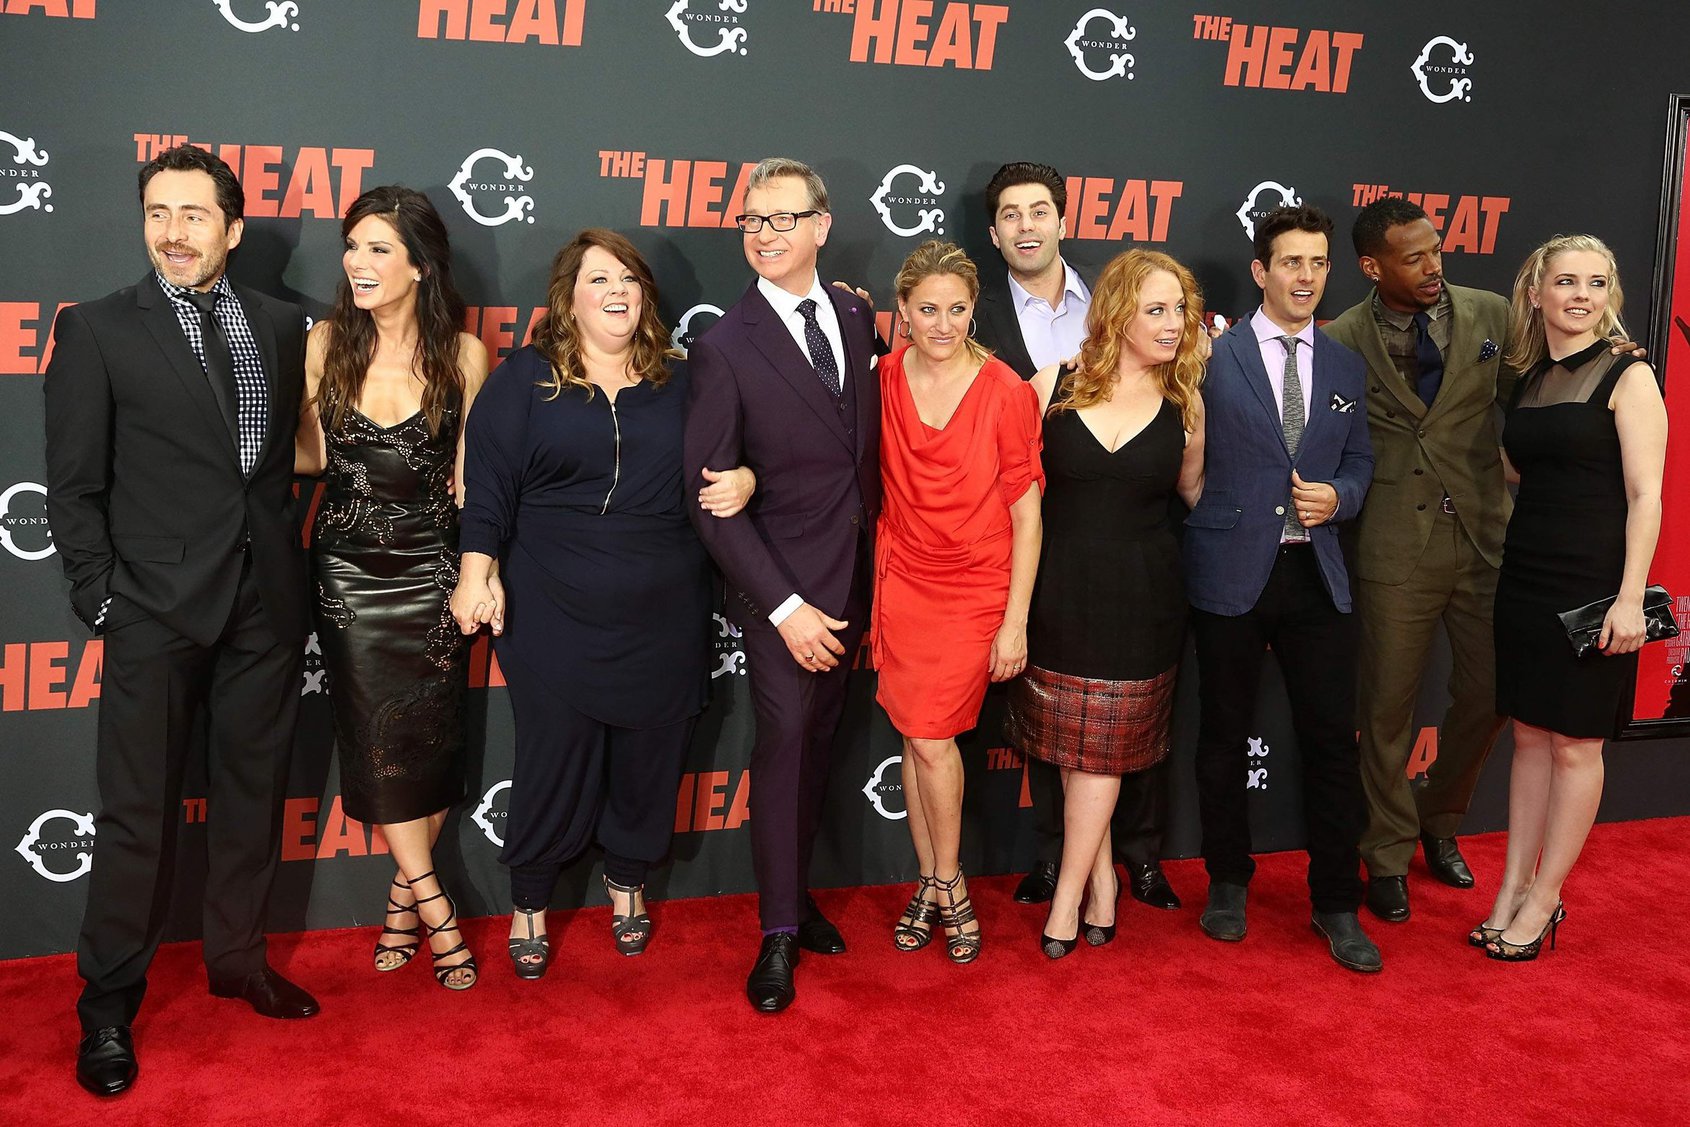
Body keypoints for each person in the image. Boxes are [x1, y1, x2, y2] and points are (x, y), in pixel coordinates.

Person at [44, 144, 318, 1098]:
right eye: (158, 213)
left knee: (251, 795)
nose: (173, 232)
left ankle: (238, 961)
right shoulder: (97, 328)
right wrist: (103, 598)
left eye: (193, 214)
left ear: (231, 229)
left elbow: (277, 466)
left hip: (263, 601)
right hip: (152, 609)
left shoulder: (280, 323)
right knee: (137, 815)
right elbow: (73, 485)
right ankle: (108, 1003)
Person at [451, 229, 753, 979]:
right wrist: (475, 571)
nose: (617, 291)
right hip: (551, 601)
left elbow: (743, 454)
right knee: (553, 753)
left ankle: (628, 882)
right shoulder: (525, 378)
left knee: (652, 755)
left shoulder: (684, 380)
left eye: (628, 279)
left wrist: (747, 478)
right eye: (599, 279)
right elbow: (487, 484)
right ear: (569, 298)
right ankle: (528, 899)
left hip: (666, 606)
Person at [683, 157, 882, 1013]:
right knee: (787, 743)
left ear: (821, 225)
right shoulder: (725, 346)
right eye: (752, 220)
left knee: (822, 743)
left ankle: (798, 900)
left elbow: (845, 444)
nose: (763, 234)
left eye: (781, 218)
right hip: (782, 594)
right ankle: (775, 932)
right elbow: (711, 504)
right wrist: (786, 607)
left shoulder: (855, 313)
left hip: (861, 578)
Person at [294, 185, 489, 990]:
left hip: (433, 569)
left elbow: (477, 484)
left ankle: (404, 899)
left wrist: (481, 570)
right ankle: (437, 906)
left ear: (420, 265)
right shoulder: (325, 342)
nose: (358, 262)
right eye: (352, 246)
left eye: (378, 248)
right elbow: (309, 457)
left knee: (428, 743)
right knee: (376, 745)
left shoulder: (465, 355)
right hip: (347, 575)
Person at [972, 160, 1179, 913]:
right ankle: (1062, 859)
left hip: (1139, 564)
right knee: (1058, 727)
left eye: (1040, 211)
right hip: (1053, 556)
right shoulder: (976, 317)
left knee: (1128, 720)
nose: (1027, 226)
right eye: (1011, 215)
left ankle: (1136, 859)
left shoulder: (1125, 305)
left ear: (1064, 219)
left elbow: (1190, 479)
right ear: (994, 232)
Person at [1186, 205, 1381, 973]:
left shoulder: (1344, 365)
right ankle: (1227, 879)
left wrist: (1340, 496)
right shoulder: (1212, 353)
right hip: (1230, 570)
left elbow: (1361, 462)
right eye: (1292, 262)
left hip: (1317, 574)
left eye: (1318, 262)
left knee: (1333, 743)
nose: (1306, 276)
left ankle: (1336, 900)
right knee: (1222, 736)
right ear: (1261, 271)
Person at [1007, 248, 1205, 958]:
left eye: (1180, 310)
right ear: (1118, 314)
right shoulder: (1050, 385)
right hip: (1057, 590)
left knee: (1102, 754)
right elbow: (1012, 491)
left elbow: (1195, 494)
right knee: (1071, 748)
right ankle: (1101, 882)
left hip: (1143, 600)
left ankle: (1067, 899)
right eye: (1156, 309)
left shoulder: (1186, 403)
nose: (1173, 323)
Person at [1476, 235, 1666, 960]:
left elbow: (1646, 495)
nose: (1580, 295)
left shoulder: (1628, 374)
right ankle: (1511, 888)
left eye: (1595, 282)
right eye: (1565, 281)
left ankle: (1545, 898)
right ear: (1536, 293)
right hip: (1526, 573)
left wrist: (1629, 598)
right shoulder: (1530, 377)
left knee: (1576, 745)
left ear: (1609, 293)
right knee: (1529, 736)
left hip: (1595, 582)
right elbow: (1522, 469)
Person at [1322, 196, 1512, 922]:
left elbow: (1539, 397)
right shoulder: (1342, 337)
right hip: (1393, 545)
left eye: (1436, 250)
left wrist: (1611, 364)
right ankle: (1387, 852)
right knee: (1385, 712)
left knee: (1491, 694)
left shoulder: (1492, 314)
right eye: (1414, 257)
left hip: (1484, 538)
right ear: (1373, 267)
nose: (1433, 266)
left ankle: (1439, 814)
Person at [875, 240, 1044, 964]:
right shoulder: (883, 378)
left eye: (957, 309)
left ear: (975, 309)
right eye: (927, 309)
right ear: (903, 310)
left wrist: (1015, 621)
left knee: (934, 737)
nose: (942, 324)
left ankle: (949, 883)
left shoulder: (1005, 389)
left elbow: (1028, 515)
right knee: (916, 735)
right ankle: (933, 878)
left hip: (974, 586)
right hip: (901, 581)